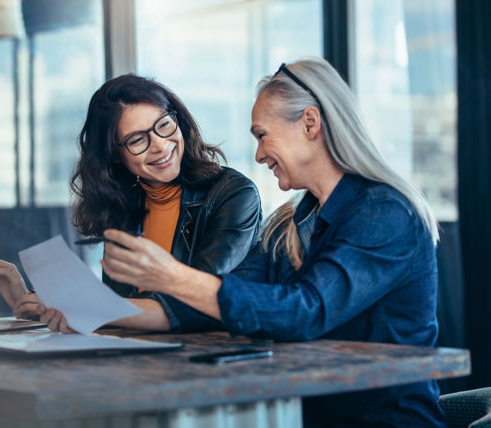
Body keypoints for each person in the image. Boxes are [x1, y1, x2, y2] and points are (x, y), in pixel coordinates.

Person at [92, 58, 445, 426]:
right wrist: (90, 313)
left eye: (262, 135)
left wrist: (174, 277)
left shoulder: (385, 214)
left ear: (310, 123)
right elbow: (212, 305)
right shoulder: (288, 224)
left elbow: (305, 312)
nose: (259, 154)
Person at [0, 73, 262, 332]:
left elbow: (200, 299)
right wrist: (32, 301)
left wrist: (86, 310)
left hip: (210, 361)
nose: (160, 145)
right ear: (115, 155)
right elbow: (119, 309)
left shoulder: (233, 193)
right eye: (137, 139)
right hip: (141, 360)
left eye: (164, 124)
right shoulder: (123, 206)